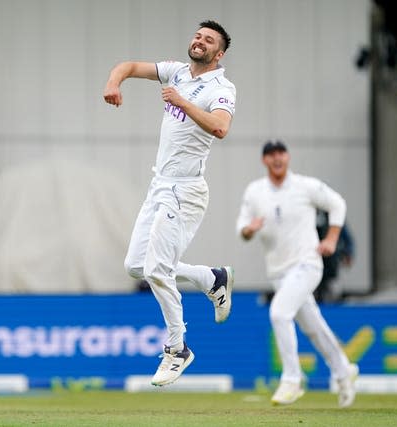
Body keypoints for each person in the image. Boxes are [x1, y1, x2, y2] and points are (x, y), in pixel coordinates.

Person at [103, 20, 235, 387]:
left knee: (157, 270)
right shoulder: (176, 72)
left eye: (208, 40)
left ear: (218, 54)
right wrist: (114, 83)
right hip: (160, 185)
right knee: (136, 267)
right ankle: (211, 278)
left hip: (187, 190)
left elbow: (221, 128)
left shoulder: (222, 87)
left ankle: (177, 349)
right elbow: (128, 66)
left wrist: (183, 102)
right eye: (197, 35)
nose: (199, 41)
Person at [236, 140, 358, 407]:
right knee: (313, 327)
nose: (276, 159)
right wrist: (250, 229)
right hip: (279, 272)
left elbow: (337, 204)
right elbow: (242, 228)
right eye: (271, 155)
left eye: (281, 153)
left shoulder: (305, 186)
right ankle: (343, 370)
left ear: (288, 157)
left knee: (279, 313)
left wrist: (332, 239)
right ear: (264, 161)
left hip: (308, 263)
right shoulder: (255, 192)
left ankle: (292, 379)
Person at [314, 211, 355, 303]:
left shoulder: (334, 216)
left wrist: (348, 253)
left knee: (330, 293)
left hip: (330, 264)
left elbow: (347, 238)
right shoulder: (308, 214)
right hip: (312, 262)